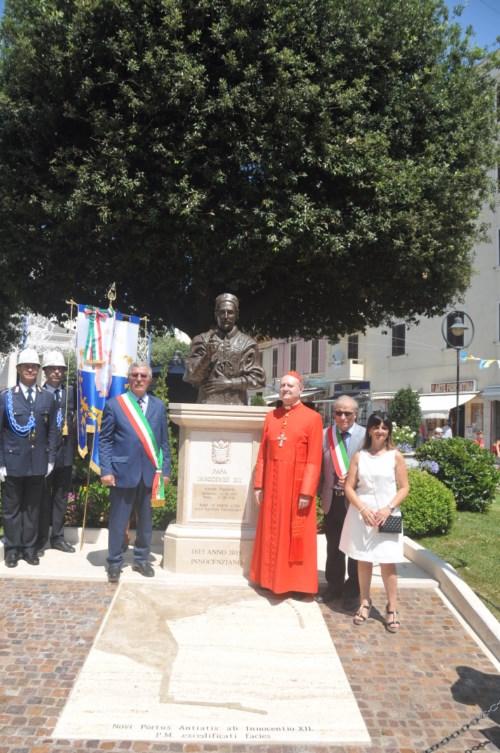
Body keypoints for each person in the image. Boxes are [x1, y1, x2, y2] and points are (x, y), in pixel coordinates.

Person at [249, 371, 323, 596]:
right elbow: (263, 453)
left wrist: (307, 491)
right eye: (282, 386)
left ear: (300, 389)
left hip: (296, 488)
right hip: (272, 487)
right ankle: (269, 579)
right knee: (271, 533)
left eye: (290, 386)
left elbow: (314, 459)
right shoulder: (271, 417)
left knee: (295, 535)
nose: (285, 389)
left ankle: (297, 584)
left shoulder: (313, 418)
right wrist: (259, 485)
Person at [100, 362, 171, 583]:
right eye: (134, 375)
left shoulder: (158, 406)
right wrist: (106, 469)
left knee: (146, 522)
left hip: (151, 473)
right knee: (118, 521)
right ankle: (114, 562)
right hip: (122, 473)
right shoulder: (115, 405)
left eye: (143, 375)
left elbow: (164, 442)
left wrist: (166, 469)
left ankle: (141, 560)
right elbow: (105, 441)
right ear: (128, 379)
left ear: (150, 380)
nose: (138, 379)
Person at [340, 413, 409, 632]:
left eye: (385, 428)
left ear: (389, 431)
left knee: (388, 561)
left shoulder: (395, 456)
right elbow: (349, 487)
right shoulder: (359, 456)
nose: (380, 431)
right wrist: (362, 508)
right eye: (376, 427)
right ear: (369, 429)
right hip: (363, 514)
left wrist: (388, 508)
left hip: (387, 513)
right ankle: (364, 602)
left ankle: (392, 607)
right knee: (363, 559)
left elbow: (405, 487)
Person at [0, 348, 58, 567]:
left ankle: (29, 549)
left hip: (38, 463)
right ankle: (12, 549)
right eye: (27, 366)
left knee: (33, 508)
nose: (31, 370)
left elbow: (53, 429)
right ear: (19, 369)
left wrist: (51, 458)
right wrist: (0, 463)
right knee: (12, 508)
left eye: (34, 366)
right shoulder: (6, 397)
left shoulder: (47, 397)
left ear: (39, 370)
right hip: (13, 461)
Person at [317, 396, 366, 605]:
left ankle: (352, 590)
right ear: (333, 413)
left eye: (347, 413)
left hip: (355, 501)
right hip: (332, 499)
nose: (343, 417)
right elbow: (318, 468)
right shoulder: (324, 435)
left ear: (356, 414)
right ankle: (334, 586)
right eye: (338, 412)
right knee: (333, 545)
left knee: (355, 546)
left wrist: (355, 478)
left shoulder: (366, 436)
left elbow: (374, 465)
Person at [183, 293, 266, 404]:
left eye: (230, 312)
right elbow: (191, 376)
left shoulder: (248, 344)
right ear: (216, 314)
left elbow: (258, 379)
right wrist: (207, 357)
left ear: (237, 315)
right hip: (207, 405)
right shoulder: (202, 340)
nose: (226, 316)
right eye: (222, 312)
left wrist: (230, 383)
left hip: (237, 406)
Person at [36, 350, 76, 554]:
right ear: (45, 371)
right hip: (44, 454)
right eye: (53, 369)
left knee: (61, 496)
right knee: (43, 497)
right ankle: (42, 538)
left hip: (65, 452)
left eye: (60, 369)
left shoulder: (70, 393)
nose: (57, 373)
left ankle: (58, 537)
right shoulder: (39, 395)